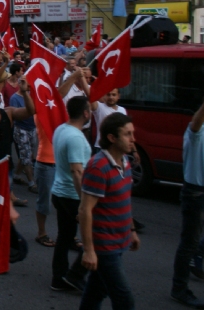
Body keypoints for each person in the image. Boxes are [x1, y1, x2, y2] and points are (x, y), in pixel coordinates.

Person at [78, 112, 140, 310]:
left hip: (120, 240)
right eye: (127, 134)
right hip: (105, 246)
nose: (133, 139)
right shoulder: (98, 166)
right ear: (112, 138)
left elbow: (124, 200)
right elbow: (85, 210)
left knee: (96, 291)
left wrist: (131, 230)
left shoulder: (125, 161)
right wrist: (88, 250)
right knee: (124, 300)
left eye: (133, 133)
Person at [170, 88, 204, 309]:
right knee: (190, 244)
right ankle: (180, 289)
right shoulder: (197, 132)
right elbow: (195, 124)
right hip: (196, 194)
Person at [51, 96, 93, 293]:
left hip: (60, 192)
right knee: (96, 236)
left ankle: (59, 278)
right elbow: (77, 171)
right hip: (72, 196)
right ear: (85, 113)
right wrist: (85, 201)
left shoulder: (61, 129)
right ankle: (75, 275)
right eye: (89, 110)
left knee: (65, 237)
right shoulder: (75, 137)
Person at [34, 116, 56, 248]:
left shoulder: (62, 109)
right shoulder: (42, 111)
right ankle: (41, 233)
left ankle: (69, 235)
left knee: (67, 201)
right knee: (45, 201)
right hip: (46, 162)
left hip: (62, 161)